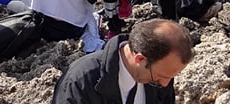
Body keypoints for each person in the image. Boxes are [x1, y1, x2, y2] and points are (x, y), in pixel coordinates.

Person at [52, 18, 194, 103]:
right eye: (161, 77)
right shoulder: (79, 83)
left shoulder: (161, 72)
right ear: (140, 59)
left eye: (171, 77)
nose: (165, 84)